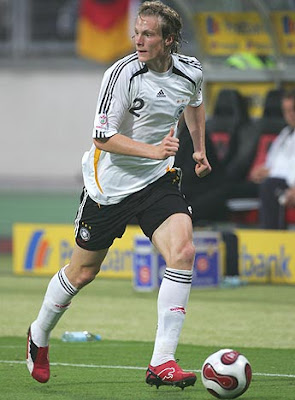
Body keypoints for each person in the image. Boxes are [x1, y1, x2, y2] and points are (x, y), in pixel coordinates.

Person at [26, 0, 211, 390]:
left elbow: (194, 104)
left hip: (158, 181)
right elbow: (102, 137)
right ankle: (38, 334)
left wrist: (198, 149)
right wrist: (153, 151)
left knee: (183, 251)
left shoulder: (190, 71)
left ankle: (162, 361)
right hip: (108, 185)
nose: (139, 40)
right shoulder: (122, 74)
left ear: (169, 40)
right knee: (84, 272)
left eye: (148, 34)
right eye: (136, 33)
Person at [249, 90, 295, 229]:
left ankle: (272, 237)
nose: (290, 115)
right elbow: (271, 164)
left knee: (269, 186)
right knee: (231, 187)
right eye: (286, 111)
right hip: (274, 180)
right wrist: (261, 171)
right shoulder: (285, 134)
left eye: (293, 109)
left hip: (285, 184)